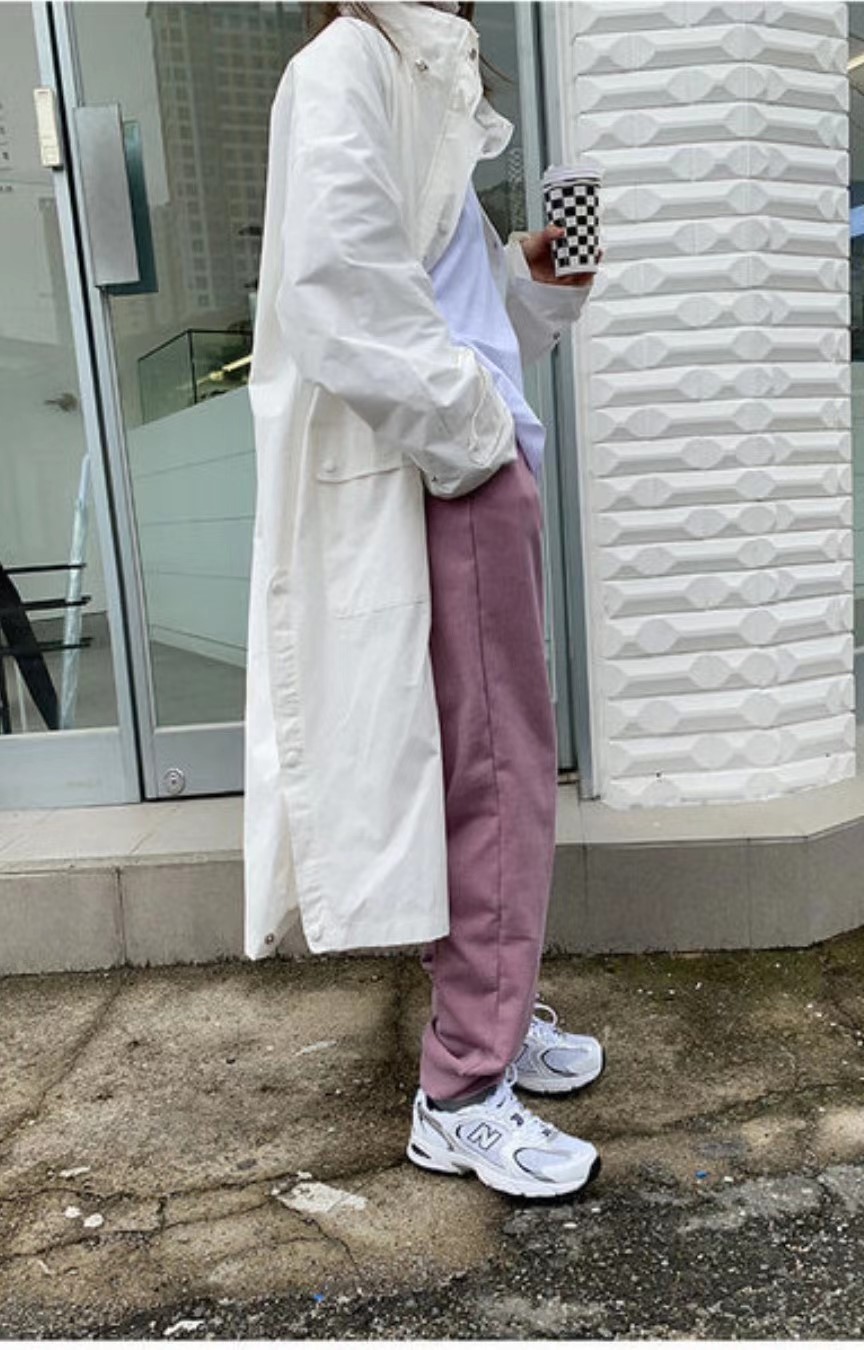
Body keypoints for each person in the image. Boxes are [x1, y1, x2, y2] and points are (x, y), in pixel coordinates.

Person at [244, 0, 604, 1200]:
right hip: (452, 477)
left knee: (485, 771)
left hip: (466, 469)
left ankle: (489, 1016)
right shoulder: (353, 62)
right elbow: (338, 291)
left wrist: (533, 280)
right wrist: (479, 441)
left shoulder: (415, 68)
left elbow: (453, 312)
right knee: (498, 779)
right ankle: (460, 1090)